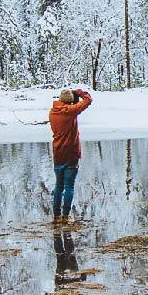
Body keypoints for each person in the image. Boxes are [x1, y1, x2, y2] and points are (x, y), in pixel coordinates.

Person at [47, 87, 92, 220]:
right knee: (69, 187)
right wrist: (79, 92)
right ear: (70, 102)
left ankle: (56, 215)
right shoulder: (70, 111)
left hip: (58, 153)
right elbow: (88, 100)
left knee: (58, 185)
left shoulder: (52, 112)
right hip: (71, 154)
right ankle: (65, 216)